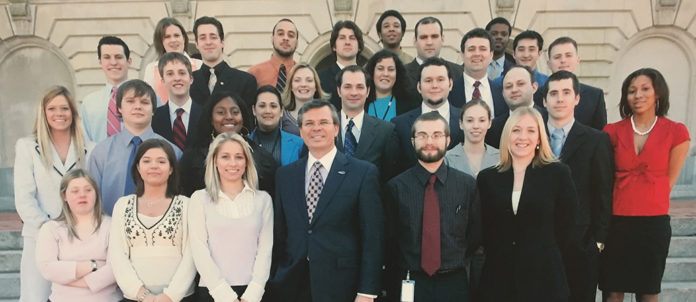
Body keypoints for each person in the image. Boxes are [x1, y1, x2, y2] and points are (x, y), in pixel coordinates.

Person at [267, 100, 384, 302]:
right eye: (309, 123)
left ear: (336, 129)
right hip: (292, 286)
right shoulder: (285, 175)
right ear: (301, 131)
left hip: (342, 286)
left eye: (323, 122)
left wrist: (366, 291)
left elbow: (372, 237)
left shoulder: (362, 173)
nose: (316, 128)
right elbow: (280, 233)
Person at [600, 68, 690, 302]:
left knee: (648, 291)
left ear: (657, 93)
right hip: (617, 220)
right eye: (631, 91)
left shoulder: (676, 132)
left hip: (653, 222)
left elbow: (668, 181)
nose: (637, 95)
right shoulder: (611, 132)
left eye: (644, 89)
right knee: (612, 290)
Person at [477, 107, 578, 302]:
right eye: (516, 130)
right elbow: (485, 229)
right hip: (499, 279)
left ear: (539, 138)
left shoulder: (558, 174)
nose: (522, 136)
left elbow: (568, 227)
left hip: (544, 278)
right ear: (507, 135)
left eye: (531, 130)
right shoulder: (487, 178)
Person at [384, 111, 480, 302]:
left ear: (448, 140)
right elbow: (389, 239)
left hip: (454, 282)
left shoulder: (466, 185)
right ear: (412, 141)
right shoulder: (395, 187)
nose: (429, 141)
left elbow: (475, 236)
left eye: (437, 135)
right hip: (410, 280)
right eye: (422, 135)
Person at [14, 86, 94, 302]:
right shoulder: (27, 147)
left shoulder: (90, 149)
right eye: (52, 108)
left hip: (79, 239)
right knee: (36, 297)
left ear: (73, 113)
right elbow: (24, 198)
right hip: (39, 237)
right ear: (44, 112)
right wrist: (49, 230)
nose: (59, 114)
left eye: (65, 108)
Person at [543, 70, 614, 302]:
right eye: (553, 93)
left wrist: (598, 241)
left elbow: (603, 191)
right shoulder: (531, 137)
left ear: (577, 99)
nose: (560, 98)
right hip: (538, 243)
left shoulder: (596, 140)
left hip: (581, 244)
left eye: (566, 92)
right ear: (544, 101)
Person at [189, 132, 273, 302]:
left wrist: (253, 294)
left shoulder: (263, 199)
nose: (233, 163)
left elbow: (265, 250)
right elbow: (199, 251)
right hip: (212, 292)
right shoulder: (199, 199)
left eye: (239, 157)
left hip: (254, 293)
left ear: (247, 161)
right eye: (225, 157)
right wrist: (225, 296)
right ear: (215, 161)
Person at [109, 139, 196, 302]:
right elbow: (117, 255)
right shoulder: (122, 205)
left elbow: (192, 256)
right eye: (147, 161)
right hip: (135, 298)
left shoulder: (187, 205)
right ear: (138, 168)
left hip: (180, 298)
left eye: (161, 161)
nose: (154, 166)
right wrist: (143, 295)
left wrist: (169, 296)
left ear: (171, 169)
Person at [88, 79, 182, 215]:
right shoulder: (101, 152)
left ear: (153, 109)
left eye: (144, 102)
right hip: (111, 230)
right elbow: (92, 198)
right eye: (130, 101)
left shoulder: (173, 151)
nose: (138, 107)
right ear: (119, 107)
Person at [35, 169, 119, 302]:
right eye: (75, 191)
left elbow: (115, 269)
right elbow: (47, 268)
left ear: (96, 194)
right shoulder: (51, 229)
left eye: (88, 190)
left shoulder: (112, 226)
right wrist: (94, 265)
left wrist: (67, 277)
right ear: (64, 196)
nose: (82, 195)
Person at [179, 91, 278, 197]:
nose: (229, 117)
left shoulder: (263, 158)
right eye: (221, 112)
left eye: (235, 112)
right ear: (211, 118)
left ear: (243, 117)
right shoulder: (192, 158)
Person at [392, 57, 465, 173]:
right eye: (428, 80)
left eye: (440, 79)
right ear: (419, 87)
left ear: (450, 84)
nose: (434, 85)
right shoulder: (399, 125)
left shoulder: (467, 121)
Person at [335, 65, 398, 182]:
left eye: (360, 87)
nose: (354, 93)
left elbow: (389, 179)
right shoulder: (325, 127)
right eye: (347, 87)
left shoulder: (385, 131)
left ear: (368, 91)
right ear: (339, 91)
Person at [537, 36, 607, 130]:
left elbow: (600, 134)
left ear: (577, 60)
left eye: (568, 55)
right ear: (549, 64)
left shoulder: (594, 95)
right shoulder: (537, 95)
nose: (563, 61)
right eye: (557, 57)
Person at [190, 16, 257, 109]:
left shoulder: (245, 81)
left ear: (222, 42)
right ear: (197, 44)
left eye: (213, 37)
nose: (208, 42)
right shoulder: (188, 82)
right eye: (202, 38)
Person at [80, 36, 131, 143]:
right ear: (100, 62)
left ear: (129, 61)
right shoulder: (89, 103)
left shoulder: (147, 96)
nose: (113, 62)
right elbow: (85, 142)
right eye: (107, 57)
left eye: (118, 57)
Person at [142, 17, 203, 103]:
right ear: (161, 42)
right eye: (167, 37)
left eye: (176, 35)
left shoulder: (200, 65)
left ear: (184, 38)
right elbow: (148, 101)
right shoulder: (151, 69)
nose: (173, 40)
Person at [485, 65, 545, 149]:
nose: (514, 90)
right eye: (508, 86)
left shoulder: (548, 120)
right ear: (503, 93)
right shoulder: (493, 128)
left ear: (534, 87)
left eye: (520, 84)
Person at [152, 52, 203, 150]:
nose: (177, 78)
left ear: (191, 79)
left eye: (182, 73)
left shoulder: (206, 114)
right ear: (163, 81)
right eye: (170, 74)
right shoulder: (154, 118)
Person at [449, 28, 506, 114]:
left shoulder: (502, 93)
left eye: (482, 49)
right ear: (462, 54)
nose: (477, 54)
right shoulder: (449, 91)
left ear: (491, 54)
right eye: (471, 49)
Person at [404, 17, 464, 89]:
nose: (429, 42)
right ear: (415, 41)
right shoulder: (400, 75)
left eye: (434, 36)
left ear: (442, 39)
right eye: (423, 37)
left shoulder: (459, 73)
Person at [250, 85, 304, 166]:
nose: (268, 111)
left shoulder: (299, 144)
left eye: (273, 106)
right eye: (262, 106)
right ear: (254, 110)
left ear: (281, 111)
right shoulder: (244, 144)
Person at [445, 99, 500, 178]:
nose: (476, 126)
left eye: (482, 120)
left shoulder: (501, 158)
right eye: (470, 120)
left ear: (489, 123)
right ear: (461, 123)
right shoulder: (446, 159)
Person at [318, 20, 364, 110]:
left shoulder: (369, 78)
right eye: (342, 38)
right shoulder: (320, 79)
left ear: (359, 47)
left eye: (352, 38)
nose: (347, 42)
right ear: (334, 46)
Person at [364, 49, 419, 121]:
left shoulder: (410, 103)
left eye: (391, 69)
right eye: (380, 69)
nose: (385, 74)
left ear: (397, 73)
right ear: (372, 71)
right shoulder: (361, 100)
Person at [248, 18, 298, 90]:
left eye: (291, 35)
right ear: (272, 39)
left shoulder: (303, 74)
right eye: (280, 34)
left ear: (297, 43)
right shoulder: (254, 73)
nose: (286, 38)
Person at [280, 63, 329, 135]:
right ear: (291, 87)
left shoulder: (328, 115)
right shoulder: (281, 118)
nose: (303, 84)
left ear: (316, 86)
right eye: (297, 80)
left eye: (309, 80)